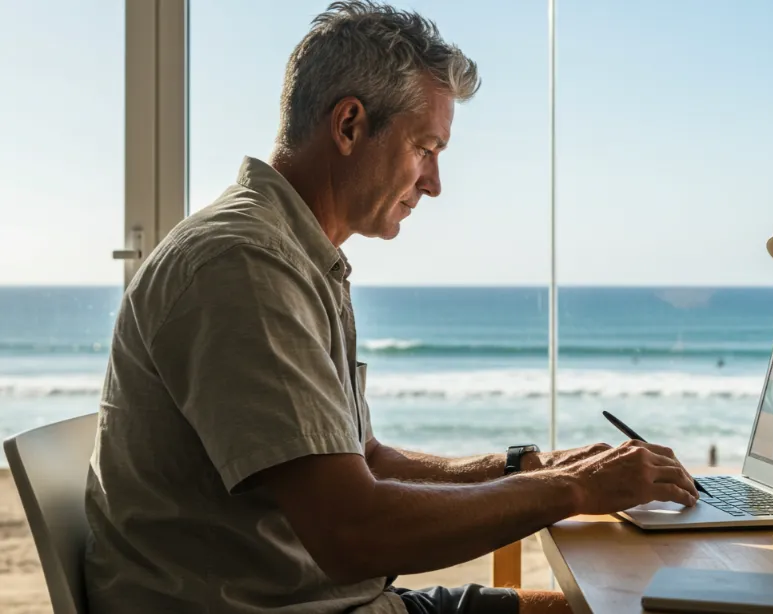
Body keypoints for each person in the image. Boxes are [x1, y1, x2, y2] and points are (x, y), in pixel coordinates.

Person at [84, 2, 700, 614]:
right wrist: (571, 488)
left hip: (329, 601)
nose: (434, 183)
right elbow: (354, 531)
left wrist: (531, 466)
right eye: (425, 148)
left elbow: (366, 462)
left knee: (618, 605)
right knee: (637, 607)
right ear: (349, 125)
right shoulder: (243, 265)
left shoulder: (293, 253)